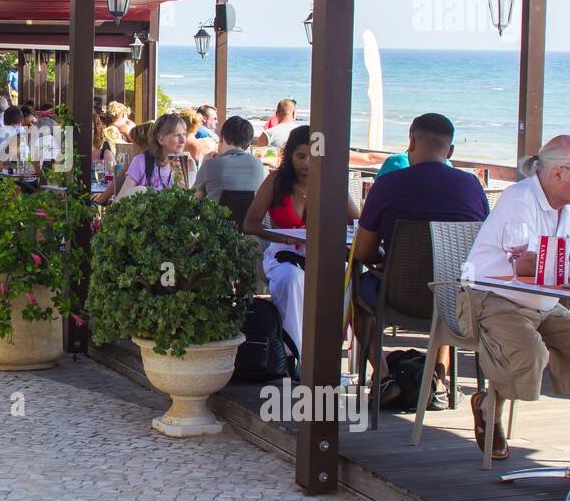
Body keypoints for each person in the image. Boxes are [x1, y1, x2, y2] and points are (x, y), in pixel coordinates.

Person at [460, 136, 570, 463]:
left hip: (545, 303)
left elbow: (569, 262)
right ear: (557, 174)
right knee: (529, 350)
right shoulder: (518, 198)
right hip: (492, 296)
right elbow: (522, 263)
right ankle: (488, 406)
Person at [353, 114, 489, 401]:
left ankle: (382, 376)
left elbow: (363, 252)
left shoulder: (387, 185)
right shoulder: (473, 186)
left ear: (410, 141)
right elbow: (483, 245)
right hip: (455, 298)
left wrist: (383, 256)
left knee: (355, 291)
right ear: (450, 151)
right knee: (449, 282)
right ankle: (439, 381)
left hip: (398, 295)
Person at [244, 125, 360, 360]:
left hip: (321, 254)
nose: (306, 162)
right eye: (300, 156)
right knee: (291, 279)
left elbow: (356, 220)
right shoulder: (277, 181)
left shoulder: (331, 181)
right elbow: (250, 224)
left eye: (312, 156)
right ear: (290, 155)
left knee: (346, 276)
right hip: (283, 252)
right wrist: (285, 237)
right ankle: (292, 352)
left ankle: (327, 352)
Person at [193, 116, 264, 201]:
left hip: (217, 214)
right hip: (249, 214)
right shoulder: (257, 163)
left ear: (221, 137)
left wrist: (206, 161)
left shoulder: (210, 165)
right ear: (248, 144)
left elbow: (194, 200)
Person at [116, 113, 186, 199]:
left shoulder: (184, 163)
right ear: (160, 139)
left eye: (184, 134)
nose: (183, 140)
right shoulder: (142, 161)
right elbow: (121, 198)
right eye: (177, 135)